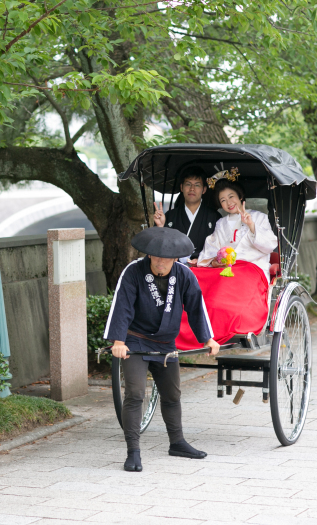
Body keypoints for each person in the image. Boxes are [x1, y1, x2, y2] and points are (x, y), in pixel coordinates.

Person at [104, 226, 221, 472]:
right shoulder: (133, 272)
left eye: (166, 259)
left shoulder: (185, 274)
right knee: (135, 393)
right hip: (135, 340)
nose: (160, 262)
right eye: (156, 257)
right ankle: (133, 451)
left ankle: (177, 443)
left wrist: (207, 339)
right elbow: (122, 306)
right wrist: (118, 341)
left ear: (175, 258)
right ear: (148, 254)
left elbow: (196, 307)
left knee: (172, 395)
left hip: (166, 343)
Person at [198, 178, 278, 281]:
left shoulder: (259, 217)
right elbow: (212, 248)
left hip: (253, 269)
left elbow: (269, 246)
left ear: (240, 196)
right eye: (223, 200)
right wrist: (214, 261)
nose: (229, 203)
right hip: (226, 270)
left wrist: (251, 225)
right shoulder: (221, 223)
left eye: (231, 196)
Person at [153, 166, 221, 263]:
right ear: (181, 187)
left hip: (205, 269)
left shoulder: (214, 217)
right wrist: (160, 227)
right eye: (188, 184)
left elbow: (220, 249)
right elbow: (158, 246)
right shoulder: (170, 216)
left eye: (197, 185)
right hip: (175, 268)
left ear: (204, 189)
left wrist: (202, 261)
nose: (192, 189)